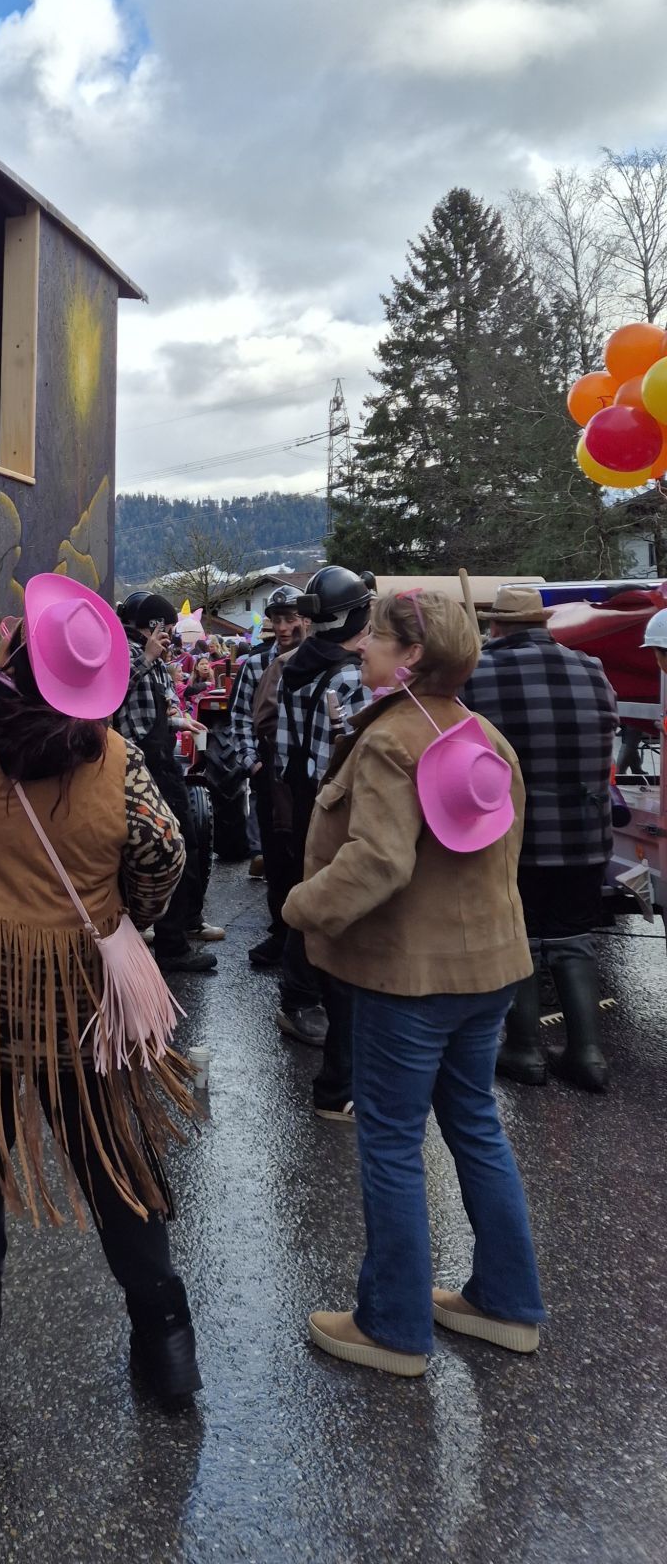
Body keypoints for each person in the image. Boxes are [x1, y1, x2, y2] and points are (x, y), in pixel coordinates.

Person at [0, 511, 199, 1407]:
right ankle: (166, 1343)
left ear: (17, 656)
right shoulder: (118, 764)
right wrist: (123, 915)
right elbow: (165, 851)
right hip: (77, 1004)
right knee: (112, 1156)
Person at [284, 589, 543, 1377]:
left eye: (375, 637)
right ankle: (506, 1303)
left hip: (410, 980)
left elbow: (380, 862)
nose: (360, 645)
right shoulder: (484, 736)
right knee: (475, 1125)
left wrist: (302, 906)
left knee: (393, 1144)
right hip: (489, 970)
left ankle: (393, 1328)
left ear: (412, 656)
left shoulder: (393, 739)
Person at [463, 586, 619, 1092]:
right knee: (574, 939)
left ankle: (525, 1050)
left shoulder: (477, 674)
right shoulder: (592, 668)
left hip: (513, 833)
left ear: (496, 626)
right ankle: (588, 1056)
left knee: (520, 936)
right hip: (585, 833)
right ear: (542, 624)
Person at [273, 565, 372, 1113]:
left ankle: (296, 994)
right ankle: (309, 999)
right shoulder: (348, 675)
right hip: (333, 801)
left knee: (306, 894)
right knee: (331, 904)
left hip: (298, 793)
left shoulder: (296, 663)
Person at [115, 593, 220, 972]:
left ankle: (181, 925)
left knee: (185, 843)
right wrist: (146, 657)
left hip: (161, 757)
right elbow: (113, 696)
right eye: (168, 627)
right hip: (138, 762)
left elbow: (157, 706)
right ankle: (171, 943)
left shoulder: (157, 658)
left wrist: (180, 720)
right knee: (167, 845)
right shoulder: (124, 653)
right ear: (153, 625)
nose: (172, 635)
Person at [231, 585, 304, 971]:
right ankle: (281, 931)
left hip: (306, 773)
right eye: (277, 619)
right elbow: (240, 716)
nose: (283, 627)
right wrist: (252, 763)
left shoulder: (317, 659)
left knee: (306, 852)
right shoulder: (256, 664)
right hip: (269, 771)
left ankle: (306, 936)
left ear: (304, 619)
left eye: (290, 618)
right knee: (275, 856)